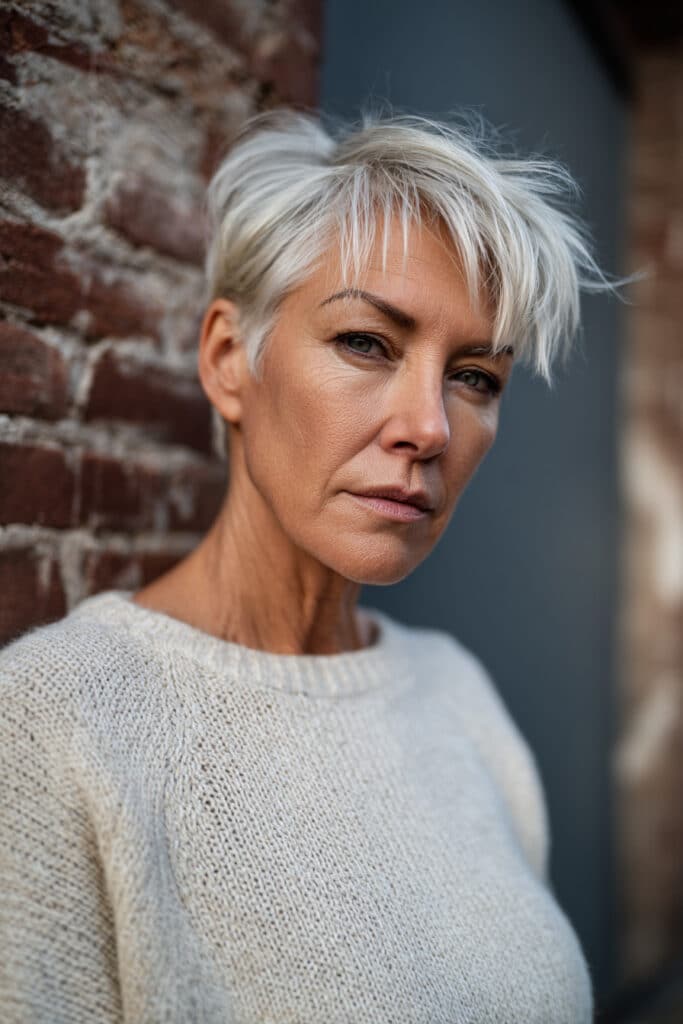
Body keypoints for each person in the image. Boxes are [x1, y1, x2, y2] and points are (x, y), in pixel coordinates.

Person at [0, 109, 609, 1023]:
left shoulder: (457, 696)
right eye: (366, 342)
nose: (429, 427)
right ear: (228, 360)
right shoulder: (54, 725)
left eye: (475, 376)